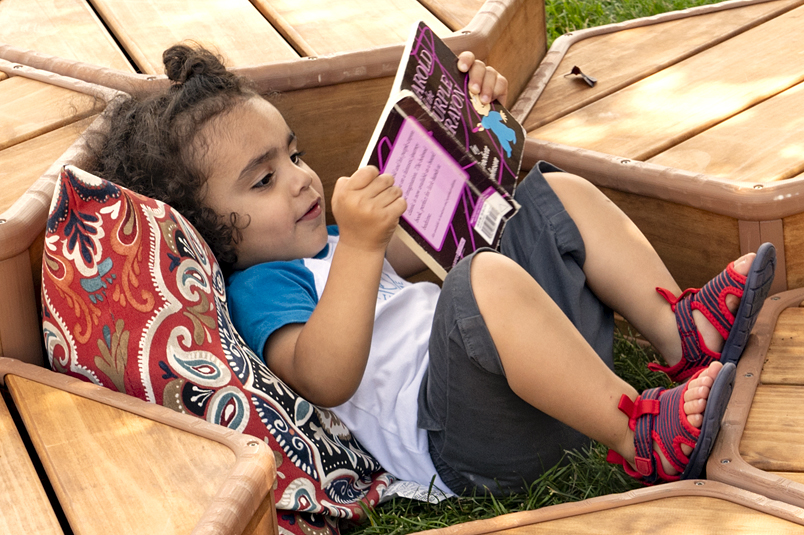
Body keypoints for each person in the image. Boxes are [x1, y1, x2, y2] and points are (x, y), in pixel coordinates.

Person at [86, 43, 777, 496]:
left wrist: (476, 133)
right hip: (465, 439)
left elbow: (440, 233)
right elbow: (325, 374)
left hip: (544, 380)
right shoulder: (260, 286)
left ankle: (681, 330)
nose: (299, 180)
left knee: (548, 193)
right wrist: (358, 247)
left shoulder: (325, 240)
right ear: (207, 228)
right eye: (262, 180)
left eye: (293, 156)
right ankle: (641, 435)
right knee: (478, 282)